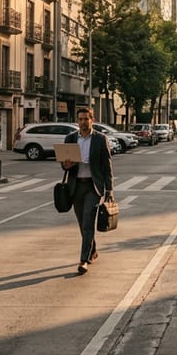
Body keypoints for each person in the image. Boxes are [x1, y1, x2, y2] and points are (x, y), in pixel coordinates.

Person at [60, 107, 114, 275]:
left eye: (86, 119)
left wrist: (109, 190)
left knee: (88, 221)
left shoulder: (100, 139)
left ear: (92, 120)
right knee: (82, 223)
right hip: (76, 186)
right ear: (78, 121)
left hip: (93, 186)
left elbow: (107, 166)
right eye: (80, 119)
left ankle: (83, 260)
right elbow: (63, 163)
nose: (83, 122)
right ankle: (93, 250)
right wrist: (66, 165)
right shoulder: (70, 138)